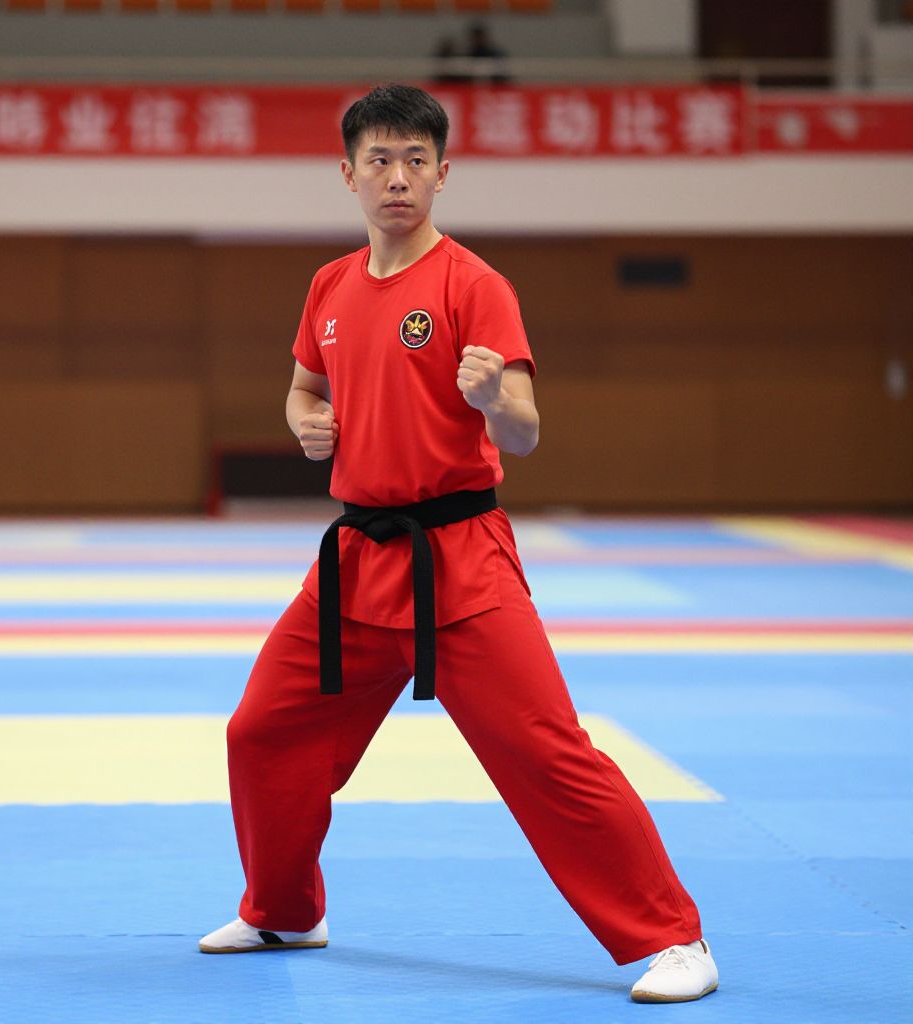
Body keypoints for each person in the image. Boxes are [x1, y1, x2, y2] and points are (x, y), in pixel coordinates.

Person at [199, 83, 719, 1005]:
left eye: (416, 160)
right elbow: (303, 388)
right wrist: (305, 421)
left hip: (460, 559)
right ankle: (283, 910)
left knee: (545, 752)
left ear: (444, 173)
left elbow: (524, 430)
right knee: (263, 732)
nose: (397, 177)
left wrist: (490, 400)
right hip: (356, 560)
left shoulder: (474, 285)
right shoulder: (329, 286)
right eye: (379, 160)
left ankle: (673, 938)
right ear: (349, 174)